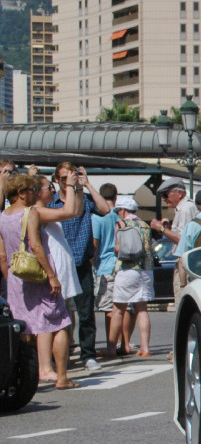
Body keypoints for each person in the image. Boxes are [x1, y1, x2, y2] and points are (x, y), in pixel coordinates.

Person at [0, 172, 78, 389]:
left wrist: (10, 280)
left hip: (16, 279)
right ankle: (62, 377)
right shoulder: (30, 213)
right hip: (38, 275)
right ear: (21, 193)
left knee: (24, 327)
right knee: (60, 322)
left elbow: (2, 255)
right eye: (31, 190)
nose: (35, 193)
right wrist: (51, 276)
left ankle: (23, 375)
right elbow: (36, 246)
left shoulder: (3, 216)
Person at [47, 162, 112, 371]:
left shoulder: (84, 198)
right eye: (66, 178)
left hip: (82, 262)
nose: (71, 181)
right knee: (58, 313)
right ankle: (58, 357)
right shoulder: (52, 203)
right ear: (57, 180)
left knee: (86, 313)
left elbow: (105, 209)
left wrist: (88, 185)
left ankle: (88, 355)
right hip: (58, 265)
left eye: (73, 177)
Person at [112, 196, 154, 357]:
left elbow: (118, 248)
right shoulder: (145, 225)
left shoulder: (122, 224)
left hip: (127, 269)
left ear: (123, 210)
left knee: (118, 309)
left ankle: (111, 347)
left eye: (118, 211)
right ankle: (145, 347)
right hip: (146, 270)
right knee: (142, 309)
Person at [150, 179, 198, 294]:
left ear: (179, 194)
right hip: (184, 264)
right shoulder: (182, 209)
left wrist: (161, 229)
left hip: (187, 266)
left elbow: (184, 241)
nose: (163, 199)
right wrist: (166, 229)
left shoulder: (186, 209)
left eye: (165, 195)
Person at [91, 183, 122, 359]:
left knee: (108, 308)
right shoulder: (116, 216)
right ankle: (119, 342)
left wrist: (92, 261)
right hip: (117, 265)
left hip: (103, 266)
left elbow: (95, 244)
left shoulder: (98, 218)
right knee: (118, 306)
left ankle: (111, 345)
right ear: (115, 196)